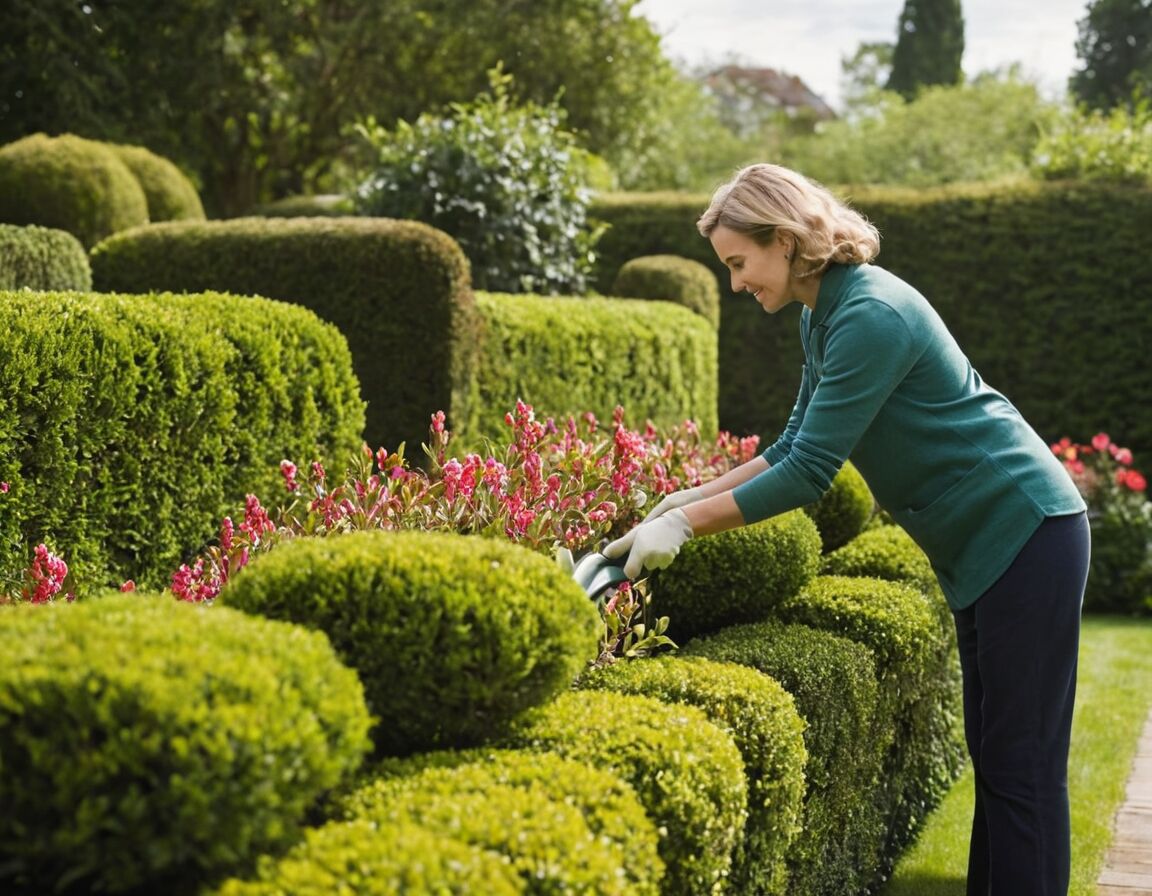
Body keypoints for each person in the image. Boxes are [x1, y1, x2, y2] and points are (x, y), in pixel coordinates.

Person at [604, 162, 1089, 896]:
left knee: (1022, 766)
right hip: (992, 549)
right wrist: (681, 502)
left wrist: (687, 528)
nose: (736, 284)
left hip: (1027, 530)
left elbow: (808, 475)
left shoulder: (870, 315)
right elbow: (790, 444)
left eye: (739, 263)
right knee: (998, 760)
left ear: (787, 240)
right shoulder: (822, 314)